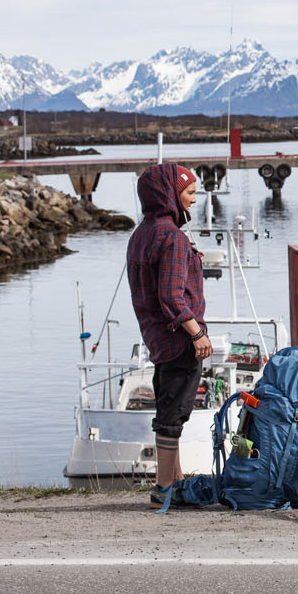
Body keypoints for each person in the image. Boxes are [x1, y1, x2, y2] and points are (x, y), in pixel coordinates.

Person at [126, 163, 212, 505]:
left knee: (170, 407)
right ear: (169, 195)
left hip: (157, 339)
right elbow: (171, 296)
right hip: (179, 341)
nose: (193, 200)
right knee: (172, 417)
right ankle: (163, 490)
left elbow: (153, 283)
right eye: (189, 193)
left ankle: (175, 483)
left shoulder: (141, 234)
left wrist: (190, 259)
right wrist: (195, 333)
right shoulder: (173, 237)